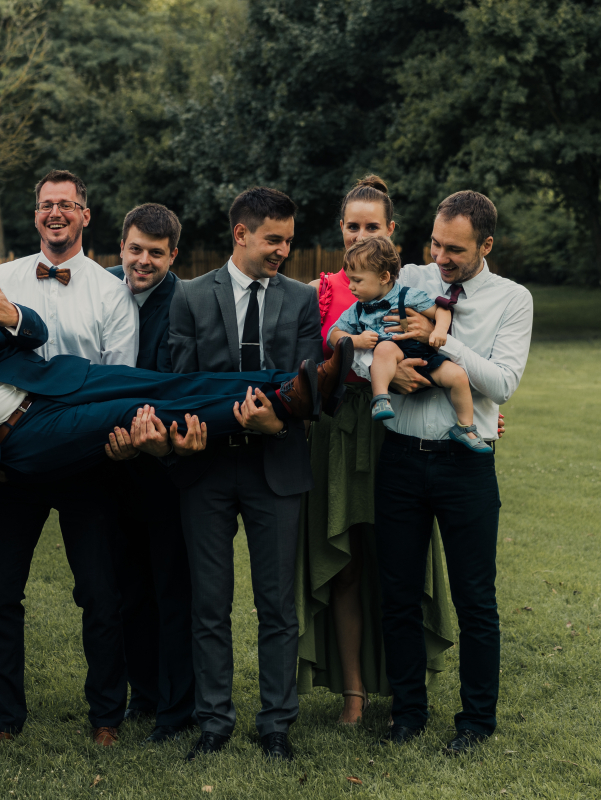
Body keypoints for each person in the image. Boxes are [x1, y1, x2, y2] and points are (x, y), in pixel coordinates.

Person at [0, 232, 342, 484]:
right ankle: (280, 405)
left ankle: (291, 385)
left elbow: (34, 334)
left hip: (54, 381)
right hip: (18, 434)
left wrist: (15, 316)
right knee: (134, 412)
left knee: (160, 384)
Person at [167, 187, 336, 763]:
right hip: (207, 467)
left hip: (277, 464)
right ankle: (214, 722)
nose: (283, 250)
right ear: (241, 234)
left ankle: (276, 725)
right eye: (273, 239)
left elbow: (309, 383)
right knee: (209, 604)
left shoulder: (301, 299)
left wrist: (279, 420)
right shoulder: (190, 296)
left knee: (277, 606)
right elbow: (182, 382)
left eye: (288, 240)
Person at [0, 169, 139, 750]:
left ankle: (106, 716)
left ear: (85, 215)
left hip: (83, 460)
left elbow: (118, 381)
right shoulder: (1, 278)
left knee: (99, 590)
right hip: (13, 460)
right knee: (0, 592)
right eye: (47, 204)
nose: (55, 213)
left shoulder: (112, 291)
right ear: (35, 214)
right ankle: (4, 719)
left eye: (67, 204)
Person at [295, 175, 456, 727]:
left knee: (398, 564)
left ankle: (404, 691)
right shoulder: (320, 291)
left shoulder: (409, 286)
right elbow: (311, 363)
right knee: (345, 566)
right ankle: (353, 693)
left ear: (391, 230)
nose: (360, 234)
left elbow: (439, 344)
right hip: (338, 436)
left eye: (372, 226)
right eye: (352, 225)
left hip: (397, 430)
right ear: (340, 229)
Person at [375, 191, 532, 756]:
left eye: (455, 250)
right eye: (436, 243)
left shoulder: (512, 299)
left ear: (485, 245)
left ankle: (476, 722)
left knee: (475, 600)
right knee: (397, 595)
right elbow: (367, 329)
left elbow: (503, 383)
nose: (440, 257)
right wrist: (382, 371)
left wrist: (442, 339)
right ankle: (407, 714)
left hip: (466, 464)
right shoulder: (408, 277)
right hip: (399, 458)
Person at [102, 203, 198, 743]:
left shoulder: (184, 303)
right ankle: (143, 693)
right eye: (135, 249)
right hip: (110, 464)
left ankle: (177, 707)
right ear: (121, 246)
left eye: (156, 254)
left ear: (173, 255)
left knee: (171, 589)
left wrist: (155, 437)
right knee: (128, 588)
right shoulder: (102, 290)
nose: (143, 261)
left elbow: (179, 380)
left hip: (167, 466)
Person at [329, 238, 492, 453]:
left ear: (383, 277)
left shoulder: (407, 295)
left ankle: (465, 427)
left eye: (357, 280)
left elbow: (442, 311)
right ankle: (380, 399)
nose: (351, 286)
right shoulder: (357, 309)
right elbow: (333, 334)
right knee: (384, 348)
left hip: (422, 355)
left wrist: (439, 331)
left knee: (458, 376)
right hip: (392, 360)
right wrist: (356, 340)